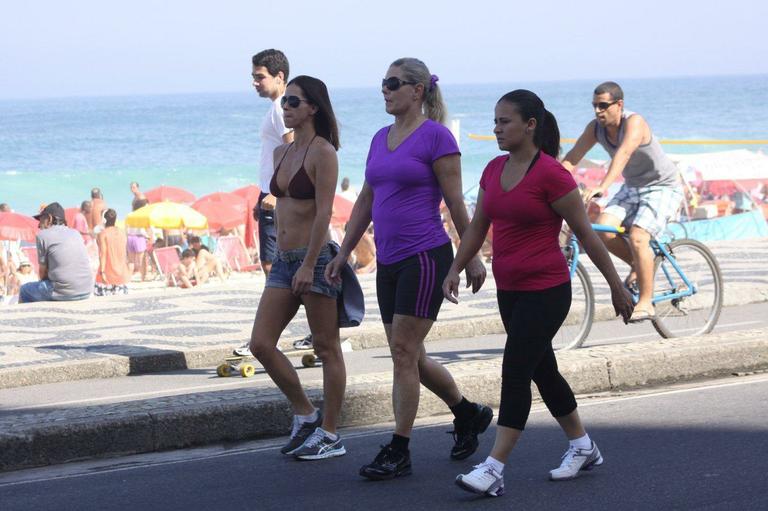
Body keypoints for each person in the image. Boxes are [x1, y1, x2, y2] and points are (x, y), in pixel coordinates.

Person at [445, 90, 634, 497]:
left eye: (505, 121)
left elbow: (586, 235)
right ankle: (583, 446)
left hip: (547, 289)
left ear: (530, 125)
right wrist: (456, 267)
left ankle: (493, 468)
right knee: (542, 371)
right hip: (509, 290)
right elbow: (478, 226)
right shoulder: (494, 170)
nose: (497, 128)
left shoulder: (551, 174)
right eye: (494, 121)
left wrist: (616, 287)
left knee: (515, 370)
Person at [325, 58, 491, 480]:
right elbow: (365, 200)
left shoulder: (437, 138)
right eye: (383, 82)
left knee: (401, 352)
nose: (385, 89)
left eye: (393, 83)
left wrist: (470, 255)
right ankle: (467, 413)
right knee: (412, 355)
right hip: (390, 261)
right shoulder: (380, 138)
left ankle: (399, 449)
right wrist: (344, 251)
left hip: (425, 256)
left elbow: (455, 202)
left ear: (417, 90)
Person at [248, 75, 349, 460]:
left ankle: (331, 432)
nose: (286, 108)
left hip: (315, 259)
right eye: (285, 102)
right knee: (260, 343)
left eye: (293, 102)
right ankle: (306, 414)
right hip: (284, 262)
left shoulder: (324, 152)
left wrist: (310, 263)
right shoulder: (282, 153)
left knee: (326, 347)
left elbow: (325, 211)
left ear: (313, 108)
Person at [561, 81, 683, 323]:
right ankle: (640, 265)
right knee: (604, 230)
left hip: (663, 187)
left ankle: (646, 302)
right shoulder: (595, 129)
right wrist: (553, 182)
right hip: (633, 187)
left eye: (603, 106)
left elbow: (623, 154)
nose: (598, 111)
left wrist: (603, 186)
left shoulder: (634, 122)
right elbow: (572, 158)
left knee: (638, 237)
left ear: (619, 105)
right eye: (594, 106)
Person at [252, 49, 294, 277]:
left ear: (279, 76)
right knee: (275, 261)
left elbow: (292, 147)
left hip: (277, 192)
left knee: (271, 263)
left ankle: (275, 312)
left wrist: (276, 193)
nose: (254, 82)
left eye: (260, 77)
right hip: (270, 190)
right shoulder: (279, 106)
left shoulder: (281, 107)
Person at [19, 202, 93, 303]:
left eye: (41, 220)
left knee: (24, 290)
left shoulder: (43, 235)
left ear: (49, 218)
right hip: (86, 289)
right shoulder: (76, 233)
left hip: (65, 293)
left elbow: (42, 273)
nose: (39, 225)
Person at [94, 209, 130, 296]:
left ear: (104, 220)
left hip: (107, 276)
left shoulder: (103, 234)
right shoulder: (123, 232)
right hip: (122, 275)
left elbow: (103, 254)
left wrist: (102, 272)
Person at [127, 198, 150, 281]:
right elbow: (143, 229)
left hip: (130, 237)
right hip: (139, 237)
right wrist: (148, 237)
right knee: (141, 260)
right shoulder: (142, 215)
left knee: (131, 261)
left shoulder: (129, 214)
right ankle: (142, 278)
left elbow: (126, 227)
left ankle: (128, 278)